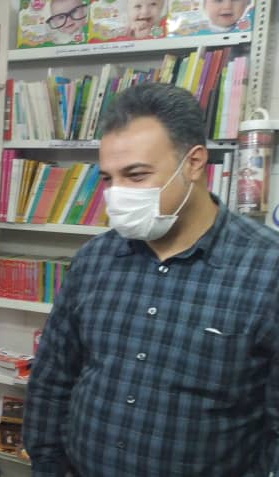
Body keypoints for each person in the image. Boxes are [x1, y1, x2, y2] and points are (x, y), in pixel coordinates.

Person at [23, 83, 279, 477]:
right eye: (108, 179)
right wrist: (46, 464)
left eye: (136, 175)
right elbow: (52, 379)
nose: (117, 195)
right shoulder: (94, 259)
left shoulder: (267, 268)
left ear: (194, 163)